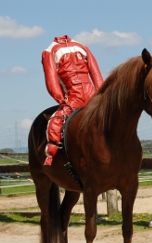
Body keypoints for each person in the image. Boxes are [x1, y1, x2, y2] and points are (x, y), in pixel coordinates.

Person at [42, 35, 104, 166]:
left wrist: (60, 99)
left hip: (73, 97)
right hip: (92, 95)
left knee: (55, 121)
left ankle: (51, 155)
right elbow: (96, 72)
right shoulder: (82, 46)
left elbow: (51, 80)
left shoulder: (49, 51)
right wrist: (101, 93)